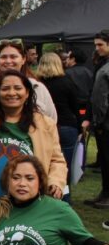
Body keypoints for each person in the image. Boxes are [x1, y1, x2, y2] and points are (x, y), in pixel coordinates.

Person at [0, 69, 67, 219]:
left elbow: (57, 160)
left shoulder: (45, 123)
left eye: (17, 88)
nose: (11, 93)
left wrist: (55, 182)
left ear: (27, 93)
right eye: (5, 88)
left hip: (31, 197)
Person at [0, 155, 109, 245]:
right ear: (7, 182)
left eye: (29, 178)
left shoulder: (58, 209)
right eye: (16, 177)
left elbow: (83, 243)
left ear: (40, 182)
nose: (22, 183)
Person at [37, 52, 84, 202]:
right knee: (64, 167)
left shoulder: (37, 85)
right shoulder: (67, 82)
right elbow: (76, 106)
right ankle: (65, 199)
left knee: (44, 164)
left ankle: (45, 199)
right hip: (67, 127)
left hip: (45, 128)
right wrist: (81, 126)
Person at [0, 39, 57, 121]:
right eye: (3, 57)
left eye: (13, 57)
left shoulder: (37, 87)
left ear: (23, 59)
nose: (8, 61)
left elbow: (52, 119)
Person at [89, 29, 109, 209]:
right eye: (96, 45)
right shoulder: (103, 64)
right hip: (101, 122)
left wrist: (101, 119)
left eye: (100, 45)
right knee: (104, 160)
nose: (97, 48)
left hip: (106, 122)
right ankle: (104, 193)